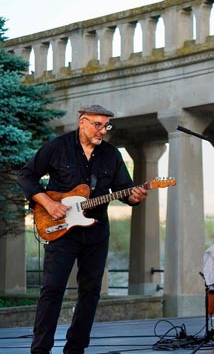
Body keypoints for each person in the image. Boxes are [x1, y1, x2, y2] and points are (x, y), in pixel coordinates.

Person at [17, 104, 148, 354]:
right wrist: (48, 203)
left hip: (96, 232)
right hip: (60, 228)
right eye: (97, 125)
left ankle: (75, 349)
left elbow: (125, 191)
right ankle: (40, 349)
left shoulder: (111, 154)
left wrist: (135, 196)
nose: (102, 131)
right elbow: (26, 176)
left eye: (106, 126)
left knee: (90, 291)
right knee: (52, 289)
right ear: (82, 122)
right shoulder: (58, 147)